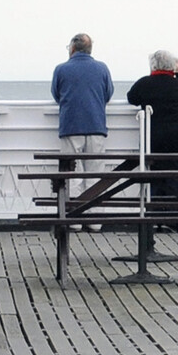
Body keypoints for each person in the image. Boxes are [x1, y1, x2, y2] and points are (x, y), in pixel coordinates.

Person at [126, 50, 178, 219]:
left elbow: (131, 98)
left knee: (155, 175)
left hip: (154, 136)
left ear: (152, 65)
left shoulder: (144, 83)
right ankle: (175, 216)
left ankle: (156, 214)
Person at [51, 34, 113, 231]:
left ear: (72, 49)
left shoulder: (61, 69)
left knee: (72, 173)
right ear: (90, 49)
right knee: (95, 172)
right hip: (96, 125)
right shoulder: (102, 68)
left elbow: (56, 93)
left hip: (71, 125)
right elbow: (108, 93)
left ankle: (75, 219)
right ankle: (94, 220)